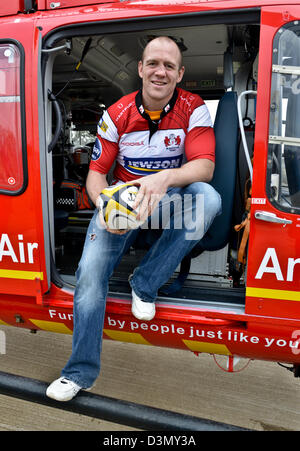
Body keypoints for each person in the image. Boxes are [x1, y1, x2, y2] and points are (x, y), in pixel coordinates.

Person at [46, 36, 221, 401]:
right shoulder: (116, 114)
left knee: (208, 199)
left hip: (167, 197)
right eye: (153, 63)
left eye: (169, 66)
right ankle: (79, 373)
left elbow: (204, 167)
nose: (160, 71)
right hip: (122, 203)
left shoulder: (194, 108)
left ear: (179, 73)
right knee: (90, 276)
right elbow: (96, 175)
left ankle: (145, 283)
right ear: (140, 69)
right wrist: (103, 205)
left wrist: (162, 179)